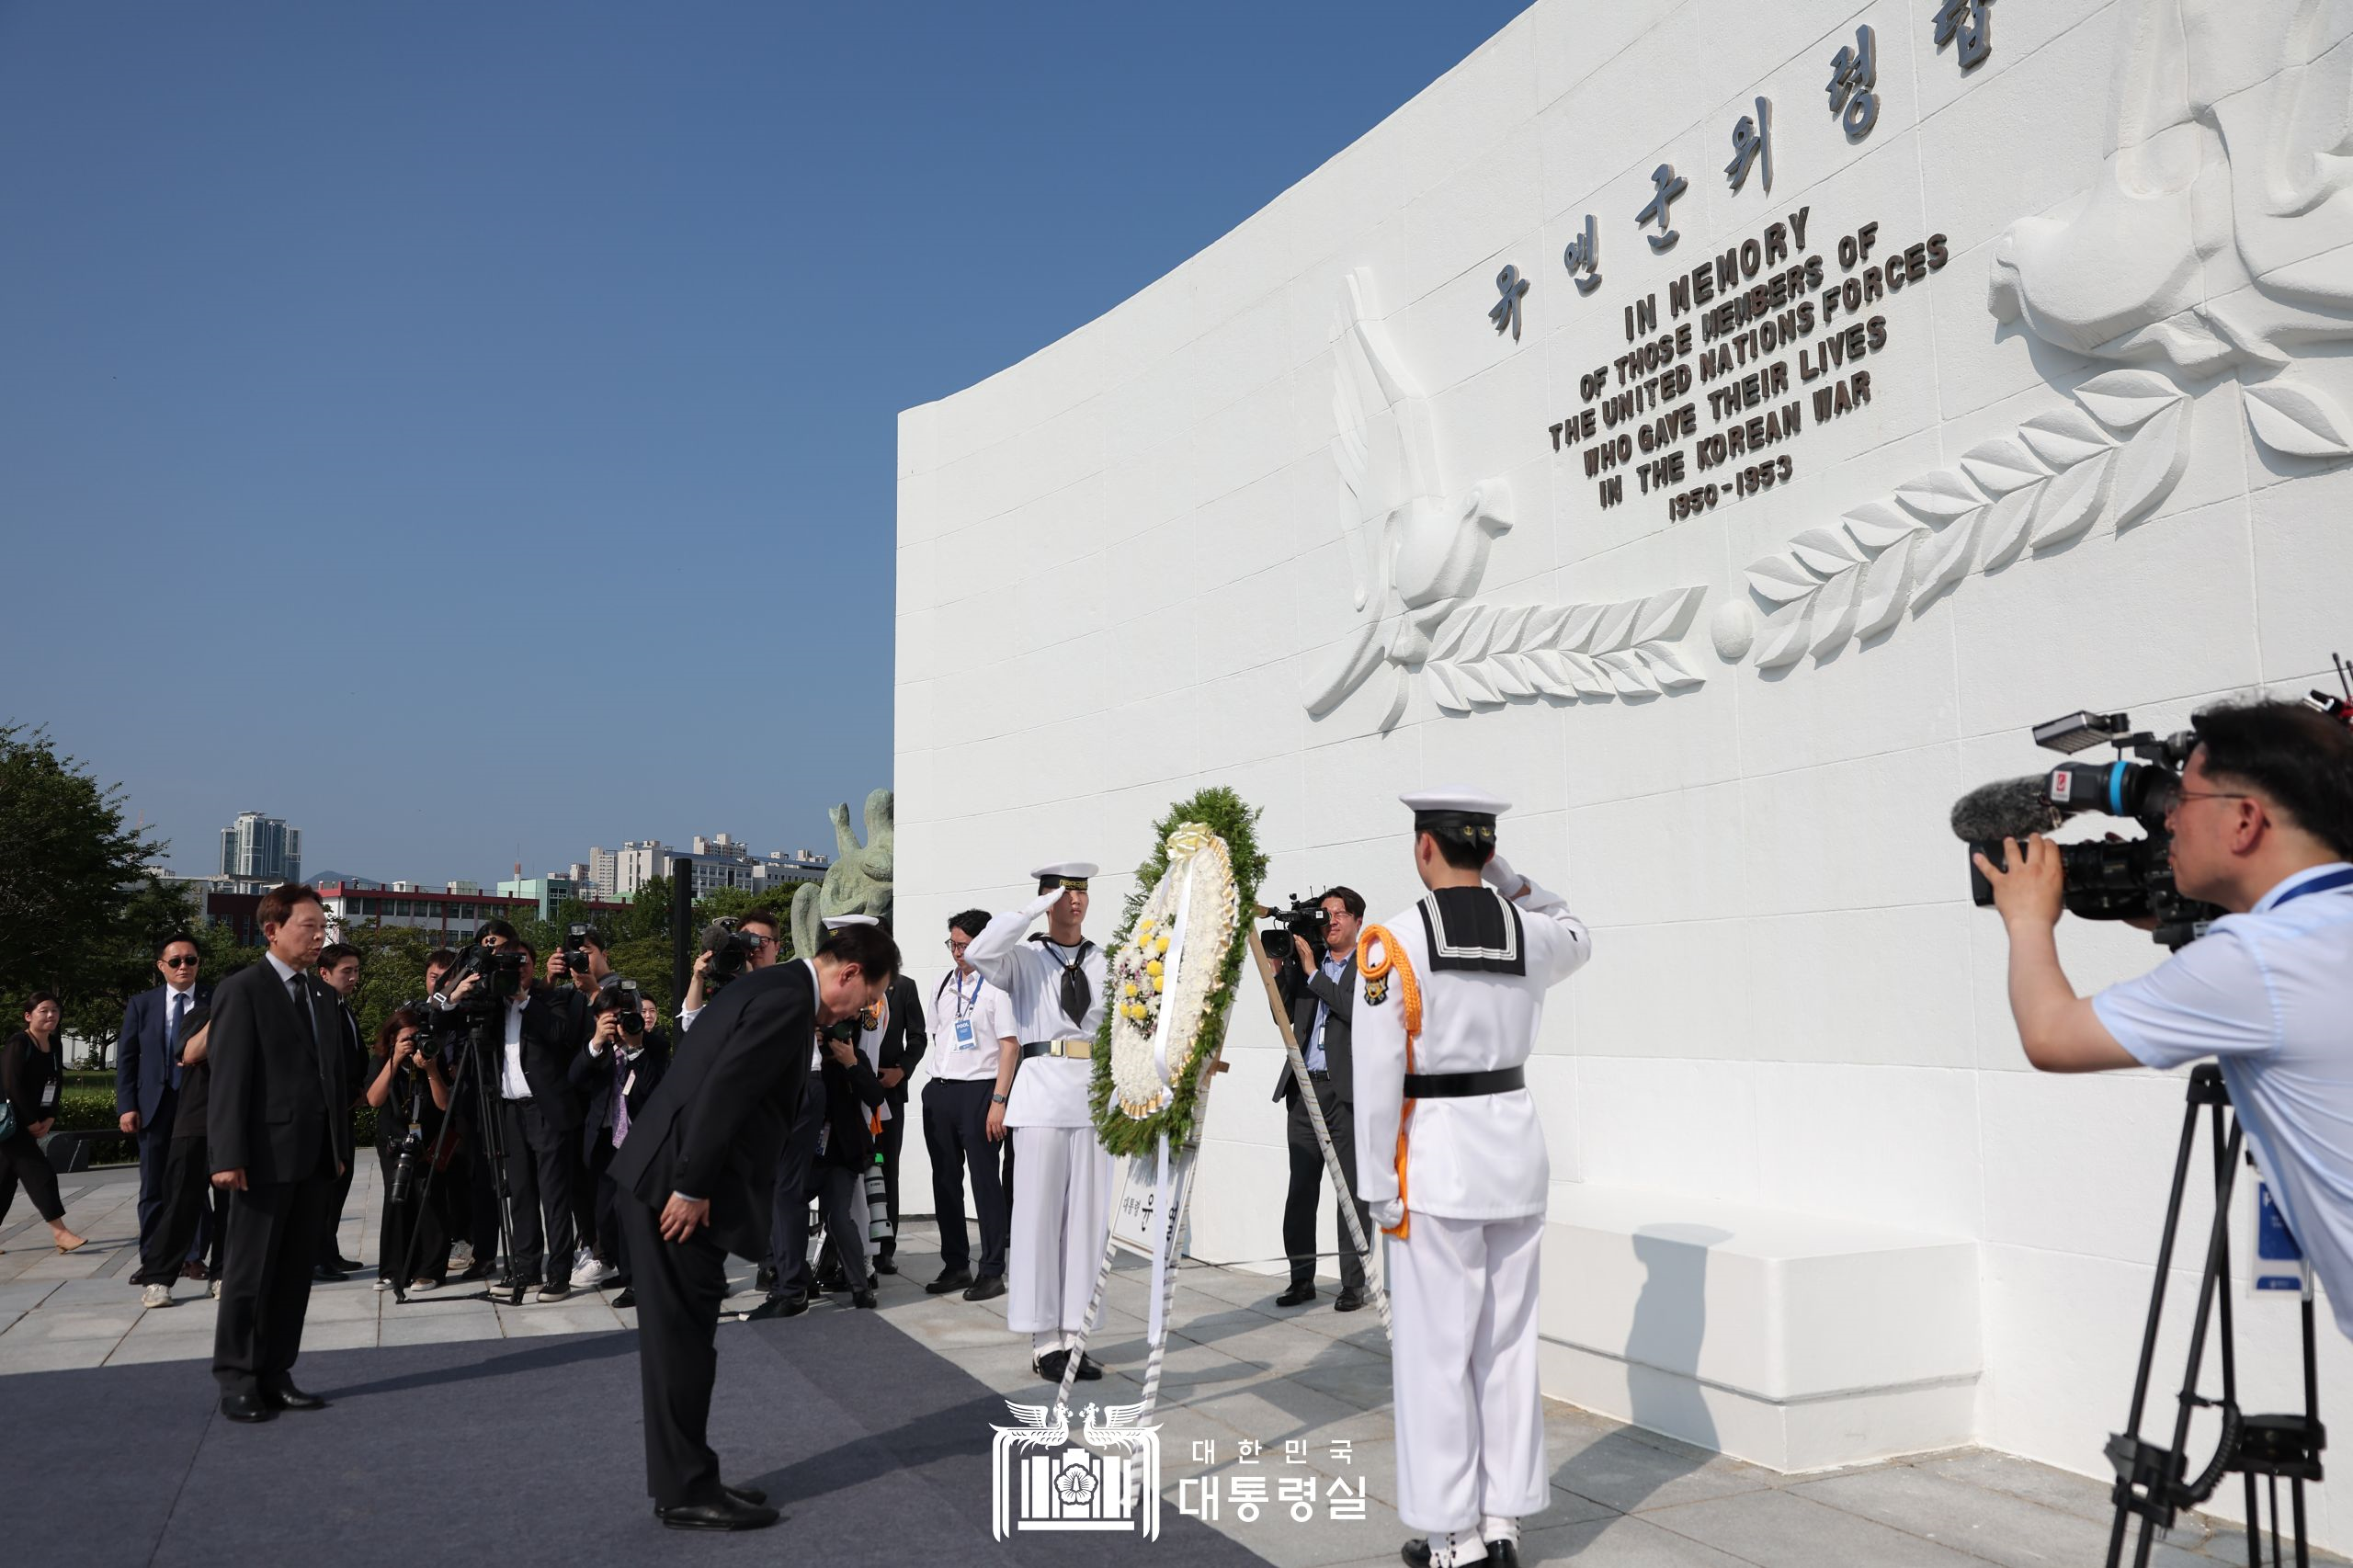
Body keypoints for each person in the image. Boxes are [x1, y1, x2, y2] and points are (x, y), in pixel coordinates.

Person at [1976, 698, 2353, 1338]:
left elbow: (2052, 1036)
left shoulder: (2256, 960)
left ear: (2244, 821)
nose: (2169, 822)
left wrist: (2027, 918)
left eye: (2186, 802)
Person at [1354, 790, 1591, 1568]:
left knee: (1436, 1352)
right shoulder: (1532, 931)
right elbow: (1581, 933)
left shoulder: (1392, 941)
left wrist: (1375, 1185)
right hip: (1515, 1156)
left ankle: (1451, 1534)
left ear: (1426, 848)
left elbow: (1379, 1068)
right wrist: (1512, 880)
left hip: (1435, 1164)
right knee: (1508, 1344)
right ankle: (1504, 1523)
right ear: (1484, 850)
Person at [612, 920, 899, 1531]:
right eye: (869, 996)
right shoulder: (786, 1001)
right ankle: (687, 1490)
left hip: (678, 1181)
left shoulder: (774, 989)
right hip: (677, 1190)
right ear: (847, 974)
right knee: (681, 1346)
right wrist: (690, 1184)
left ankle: (692, 1476)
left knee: (687, 1342)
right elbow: (724, 1090)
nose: (865, 1010)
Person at [207, 881, 348, 1425]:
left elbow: (330, 1078)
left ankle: (276, 1371)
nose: (318, 937)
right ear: (273, 930)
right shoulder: (243, 990)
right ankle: (237, 1378)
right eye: (308, 926)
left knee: (293, 1273)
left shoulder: (322, 995)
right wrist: (226, 1154)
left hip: (314, 1158)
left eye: (322, 927)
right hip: (261, 1157)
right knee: (248, 1273)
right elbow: (230, 1079)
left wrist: (337, 1148)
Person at [965, 860, 1112, 1382]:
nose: (1075, 902)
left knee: (1087, 1221)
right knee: (1039, 1218)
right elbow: (980, 951)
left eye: (1082, 892)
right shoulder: (1024, 958)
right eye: (1064, 893)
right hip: (1042, 1091)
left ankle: (1075, 1334)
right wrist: (1030, 910)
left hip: (1092, 1095)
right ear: (1049, 901)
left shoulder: (1105, 961)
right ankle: (1042, 1337)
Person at [455, 933, 588, 1301]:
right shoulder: (493, 1005)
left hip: (546, 1110)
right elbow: (455, 1019)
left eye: (523, 961)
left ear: (534, 964)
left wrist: (525, 999)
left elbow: (561, 1033)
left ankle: (558, 1272)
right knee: (522, 1195)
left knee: (554, 1195)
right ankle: (526, 1268)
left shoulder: (553, 998)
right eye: (509, 963)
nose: (517, 968)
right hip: (509, 1110)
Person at [1273, 887, 1371, 1312]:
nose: (1329, 922)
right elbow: (1279, 1010)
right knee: (1301, 1189)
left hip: (1344, 1091)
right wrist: (1281, 968)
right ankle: (1302, 1279)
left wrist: (1314, 973)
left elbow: (1357, 1011)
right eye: (1324, 915)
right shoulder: (1307, 963)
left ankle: (1353, 1284)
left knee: (1350, 1189)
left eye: (1337, 914)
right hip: (1303, 1088)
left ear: (1356, 921)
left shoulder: (1369, 967)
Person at [921, 908, 1018, 1301]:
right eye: (953, 944)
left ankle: (992, 1269)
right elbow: (938, 1035)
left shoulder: (998, 986)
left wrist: (999, 1101)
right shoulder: (944, 984)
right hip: (941, 1090)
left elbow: (1010, 1046)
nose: (957, 952)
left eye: (964, 945)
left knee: (984, 1182)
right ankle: (956, 1264)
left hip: (980, 1092)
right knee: (945, 1182)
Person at [117, 933, 210, 1289]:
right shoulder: (142, 1004)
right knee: (153, 1187)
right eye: (176, 961)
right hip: (154, 1105)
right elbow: (127, 1059)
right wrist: (127, 1106)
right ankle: (152, 1260)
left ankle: (193, 1256)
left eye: (191, 960)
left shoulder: (215, 999)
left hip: (199, 1105)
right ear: (161, 967)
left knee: (195, 1185)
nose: (184, 967)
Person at [570, 982, 668, 1307]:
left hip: (640, 1140)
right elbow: (575, 1080)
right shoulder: (594, 1047)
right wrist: (598, 1042)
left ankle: (640, 1281)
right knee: (605, 1213)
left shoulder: (653, 1045)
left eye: (627, 1015)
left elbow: (652, 1091)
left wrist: (637, 1049)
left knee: (634, 1213)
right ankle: (626, 1270)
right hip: (604, 1141)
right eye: (612, 1017)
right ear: (598, 1017)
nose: (621, 1022)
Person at [133, 1002, 225, 1303]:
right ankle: (158, 1278)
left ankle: (224, 1274)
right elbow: (190, 1053)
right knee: (181, 1204)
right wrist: (222, 1014)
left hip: (239, 1125)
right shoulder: (200, 1015)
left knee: (234, 1208)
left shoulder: (264, 1017)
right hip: (196, 1123)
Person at [364, 1006, 454, 1291]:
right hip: (393, 1139)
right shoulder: (382, 1061)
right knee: (396, 1198)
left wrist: (429, 1070)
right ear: (392, 1039)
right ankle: (392, 1269)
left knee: (428, 1198)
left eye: (416, 1037)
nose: (413, 1043)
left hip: (427, 1139)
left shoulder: (431, 1058)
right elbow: (374, 1100)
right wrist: (395, 1060)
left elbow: (444, 1104)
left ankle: (430, 1269)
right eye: (406, 1038)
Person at [1, 993, 89, 1255]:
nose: (51, 1015)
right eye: (44, 1010)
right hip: (10, 1122)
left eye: (55, 1010)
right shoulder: (18, 1043)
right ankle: (60, 1232)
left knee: (4, 1182)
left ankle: (60, 1232)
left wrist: (50, 1116)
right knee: (41, 1173)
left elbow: (56, 1082)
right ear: (28, 1016)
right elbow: (11, 1085)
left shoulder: (55, 1044)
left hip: (31, 1121)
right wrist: (30, 1123)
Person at [869, 935, 926, 1277]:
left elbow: (917, 1037)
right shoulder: (850, 984)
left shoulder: (904, 987)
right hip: (851, 1091)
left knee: (886, 1168)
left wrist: (902, 1071)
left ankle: (884, 1249)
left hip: (888, 1092)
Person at [313, 942, 368, 1281]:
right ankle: (316, 1257)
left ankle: (329, 1253)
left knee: (341, 1185)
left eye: (356, 970)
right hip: (326, 1114)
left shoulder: (343, 1007)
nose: (353, 977)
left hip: (346, 1109)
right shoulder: (318, 1010)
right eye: (346, 971)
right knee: (325, 1188)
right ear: (324, 973)